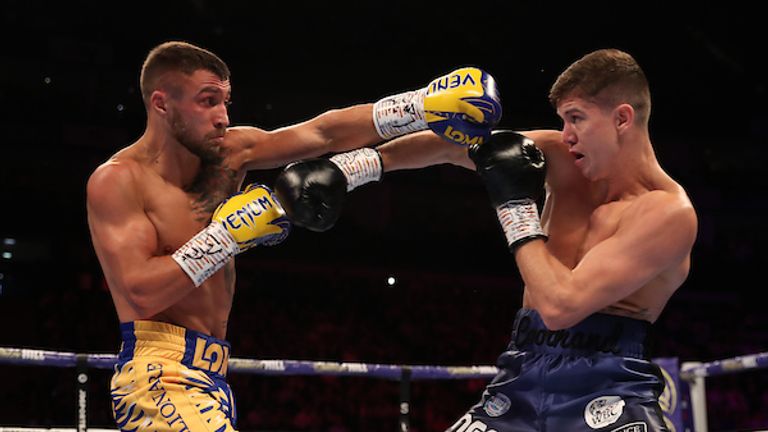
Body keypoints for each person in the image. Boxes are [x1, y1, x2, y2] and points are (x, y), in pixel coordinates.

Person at [85, 40, 500, 432]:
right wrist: (226, 236)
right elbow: (140, 292)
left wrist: (418, 107)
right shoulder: (118, 181)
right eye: (207, 101)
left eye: (225, 102)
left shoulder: (230, 154)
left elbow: (322, 135)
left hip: (213, 374)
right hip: (157, 371)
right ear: (161, 103)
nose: (223, 117)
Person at [276, 48, 697, 431]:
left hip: (608, 388)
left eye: (576, 119)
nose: (565, 134)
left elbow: (559, 305)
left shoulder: (667, 213)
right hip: (520, 375)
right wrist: (354, 168)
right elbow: (454, 147)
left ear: (622, 118)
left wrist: (514, 206)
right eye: (564, 121)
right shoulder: (561, 159)